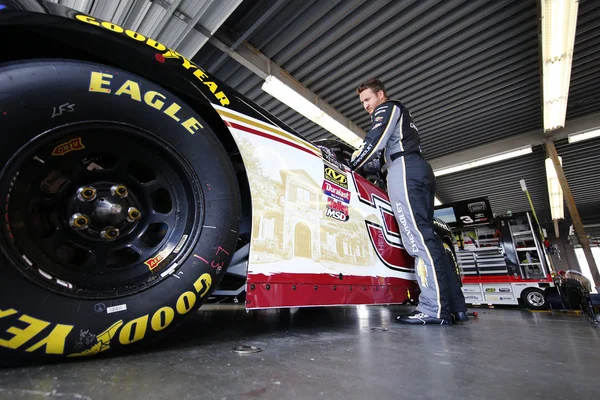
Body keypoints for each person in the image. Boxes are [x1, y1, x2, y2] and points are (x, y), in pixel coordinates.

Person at [348, 78, 468, 325]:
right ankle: (456, 307)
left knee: (417, 239)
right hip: (417, 169)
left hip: (404, 169)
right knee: (430, 239)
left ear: (381, 94)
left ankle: (433, 309)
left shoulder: (388, 108)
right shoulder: (401, 120)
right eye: (362, 102)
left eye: (368, 99)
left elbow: (374, 141)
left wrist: (351, 164)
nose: (366, 106)